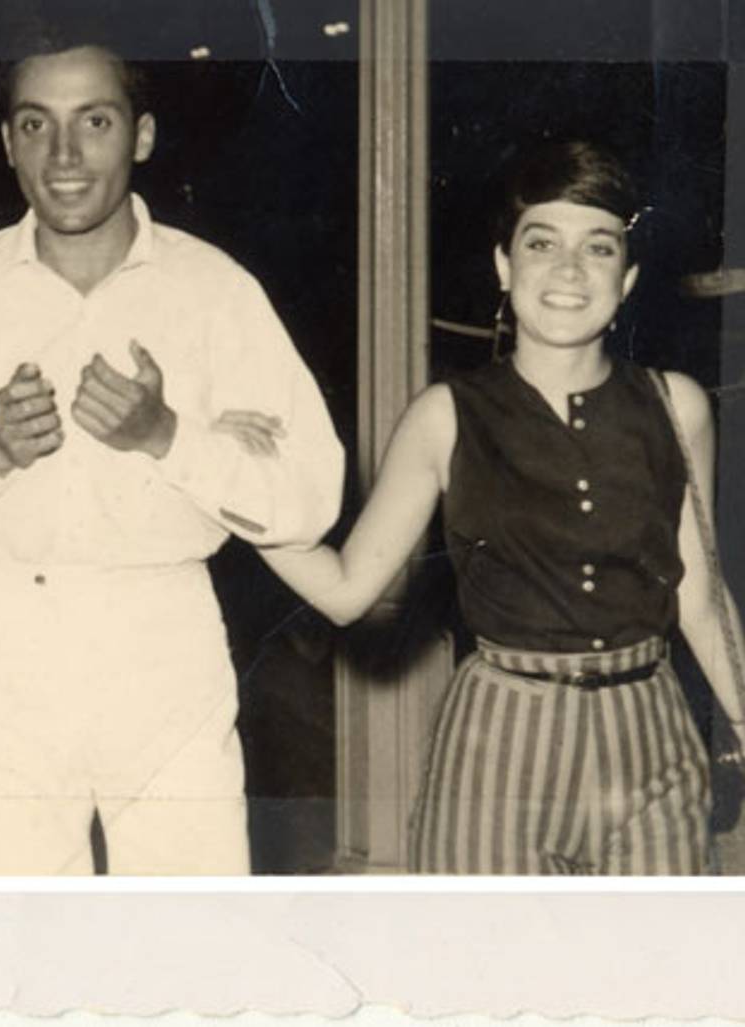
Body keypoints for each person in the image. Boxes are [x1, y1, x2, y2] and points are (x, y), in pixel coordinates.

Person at [0, 39, 344, 874]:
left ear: (142, 137)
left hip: (164, 633)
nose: (65, 155)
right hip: (1, 639)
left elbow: (310, 498)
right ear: (8, 143)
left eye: (96, 122)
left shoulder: (214, 291)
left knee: (188, 941)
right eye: (37, 124)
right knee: (24, 943)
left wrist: (167, 436)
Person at [248, 139, 745, 874]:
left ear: (628, 276)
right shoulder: (446, 415)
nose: (570, 270)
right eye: (541, 243)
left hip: (652, 738)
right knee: (487, 973)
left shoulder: (678, 406)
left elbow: (700, 599)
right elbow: (349, 590)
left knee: (652, 973)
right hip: (500, 741)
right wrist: (232, 492)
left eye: (599, 247)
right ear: (505, 267)